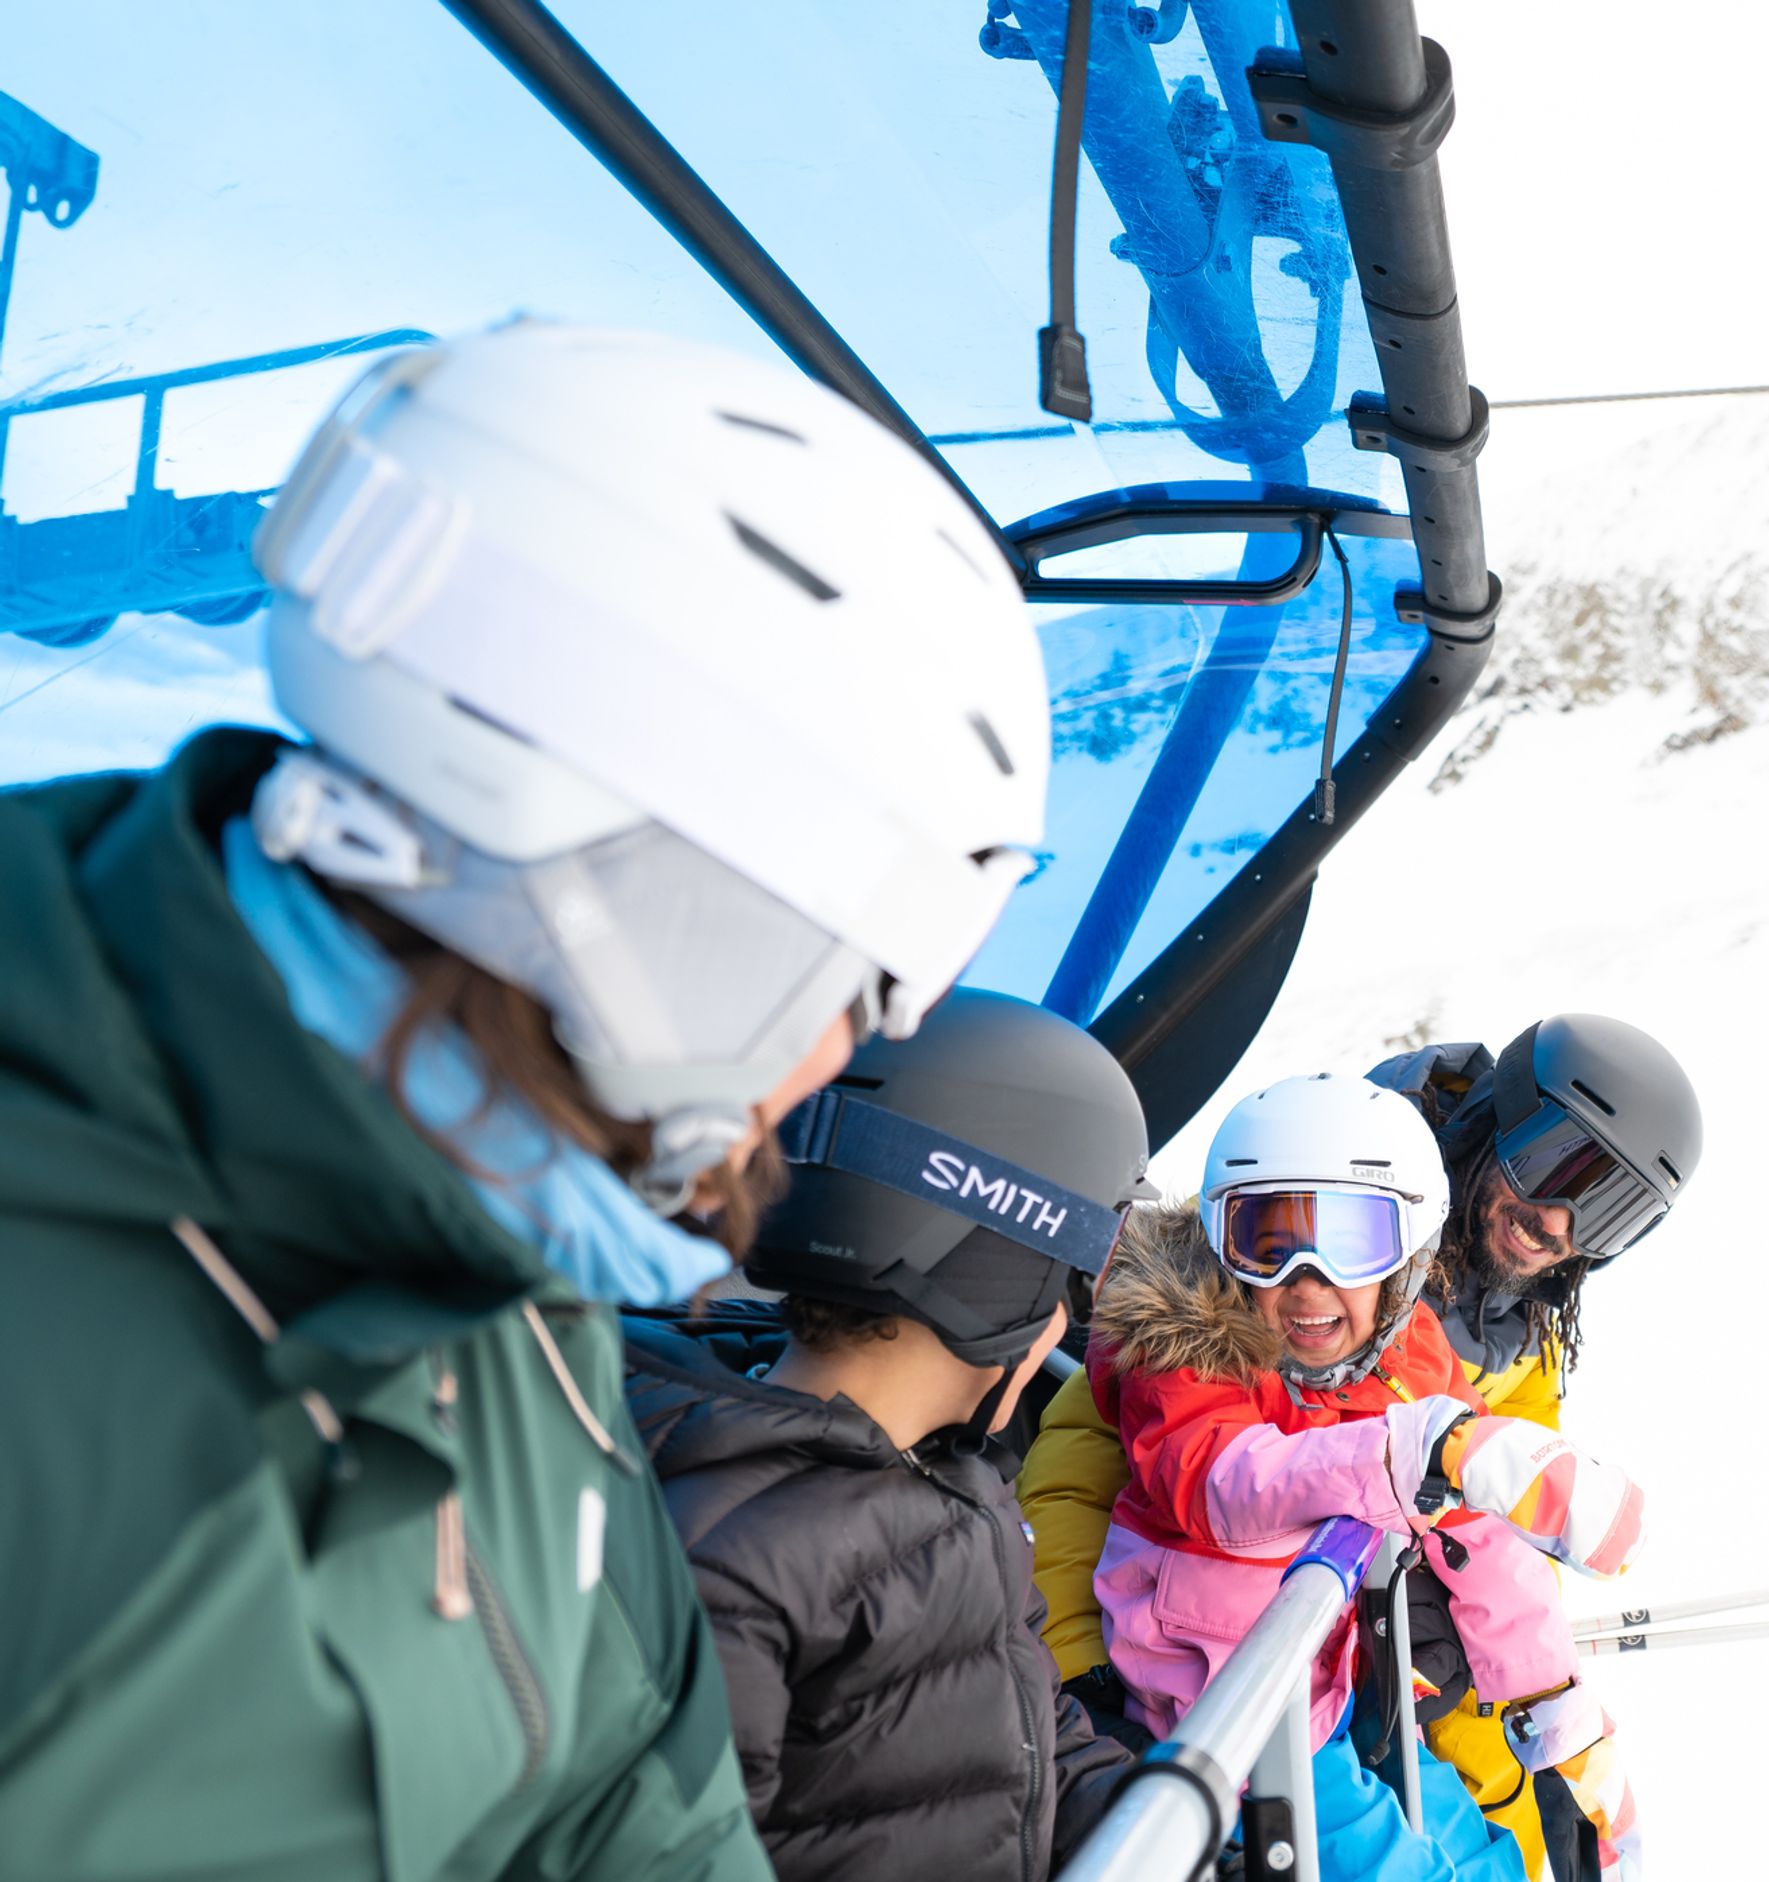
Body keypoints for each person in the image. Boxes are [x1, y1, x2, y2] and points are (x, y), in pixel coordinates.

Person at [0, 323, 1050, 1879]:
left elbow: (645, 1807)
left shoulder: (520, 1303)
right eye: (842, 974)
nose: (839, 1054)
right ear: (644, 898)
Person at [1019, 1015, 1699, 1878]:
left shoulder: (1438, 1339)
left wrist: (1555, 1711)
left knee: (1493, 1853)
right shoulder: (1189, 1341)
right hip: (1221, 1699)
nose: (1309, 1282)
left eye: (1354, 1247)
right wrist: (1411, 1451)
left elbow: (1485, 1535)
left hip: (1328, 1681)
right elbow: (1218, 1481)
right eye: (1269, 1242)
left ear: (1408, 1259)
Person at [623, 990, 1154, 1881]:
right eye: (1073, 1279)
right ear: (1005, 1281)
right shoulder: (726, 1574)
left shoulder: (962, 1483)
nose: (1068, 1319)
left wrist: (1171, 1833)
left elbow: (1037, 1742)